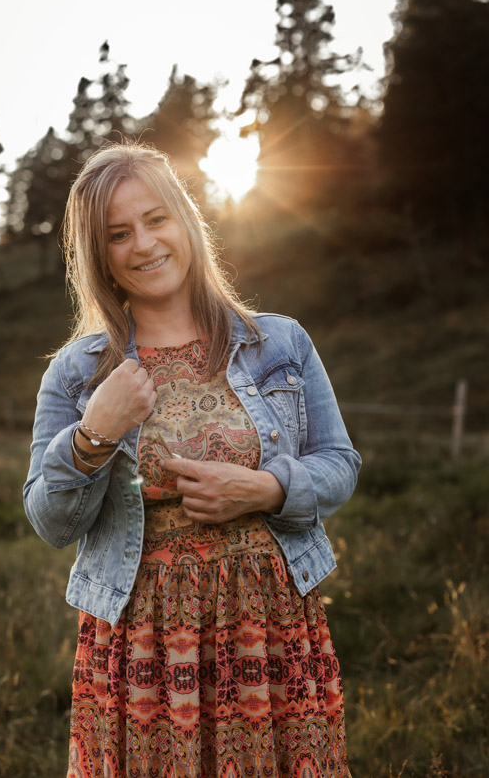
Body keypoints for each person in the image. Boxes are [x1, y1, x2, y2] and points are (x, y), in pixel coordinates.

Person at [24, 142, 361, 778]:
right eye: (118, 234)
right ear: (100, 256)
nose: (144, 244)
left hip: (269, 624)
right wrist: (93, 435)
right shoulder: (76, 374)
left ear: (185, 220)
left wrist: (265, 490)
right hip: (143, 638)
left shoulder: (278, 343)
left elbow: (340, 462)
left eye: (156, 219)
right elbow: (51, 521)